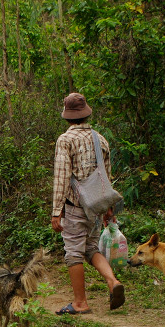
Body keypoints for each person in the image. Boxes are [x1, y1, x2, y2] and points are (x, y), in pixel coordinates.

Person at [51, 93, 125, 315]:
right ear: (85, 114)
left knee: (74, 252)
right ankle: (112, 280)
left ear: (67, 116)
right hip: (96, 206)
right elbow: (106, 177)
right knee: (91, 248)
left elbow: (62, 177)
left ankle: (80, 302)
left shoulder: (65, 140)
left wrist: (56, 211)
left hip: (75, 207)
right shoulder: (100, 139)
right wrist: (108, 208)